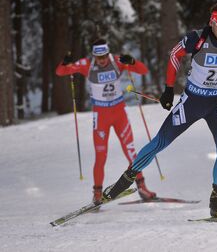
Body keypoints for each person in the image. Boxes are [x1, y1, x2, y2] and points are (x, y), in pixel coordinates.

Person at [103, 2, 217, 217]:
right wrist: (168, 89)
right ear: (212, 22)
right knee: (161, 142)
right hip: (193, 100)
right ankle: (122, 183)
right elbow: (175, 55)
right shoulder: (197, 38)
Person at [56, 39, 157, 204]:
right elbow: (60, 72)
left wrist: (132, 61)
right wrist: (65, 63)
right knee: (101, 156)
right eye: (98, 57)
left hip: (119, 114)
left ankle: (142, 187)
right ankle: (97, 193)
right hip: (101, 115)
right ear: (94, 56)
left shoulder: (117, 61)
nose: (102, 60)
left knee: (131, 152)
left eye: (104, 56)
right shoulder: (86, 64)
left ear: (107, 53)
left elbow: (143, 70)